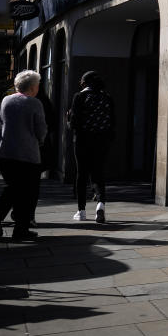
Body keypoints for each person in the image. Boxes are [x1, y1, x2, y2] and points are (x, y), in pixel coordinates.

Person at [0, 70, 47, 241]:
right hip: (27, 155)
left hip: (6, 153)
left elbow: (0, 123)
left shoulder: (6, 100)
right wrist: (40, 140)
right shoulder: (34, 103)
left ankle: (6, 222)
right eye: (38, 85)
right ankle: (15, 226)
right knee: (28, 193)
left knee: (13, 188)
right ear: (33, 87)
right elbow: (41, 130)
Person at [67, 71, 115, 223]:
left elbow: (73, 123)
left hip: (83, 140)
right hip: (102, 140)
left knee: (82, 174)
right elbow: (112, 121)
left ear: (84, 82)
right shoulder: (107, 97)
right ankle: (100, 205)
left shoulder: (79, 97)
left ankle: (81, 211)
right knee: (98, 173)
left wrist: (68, 118)